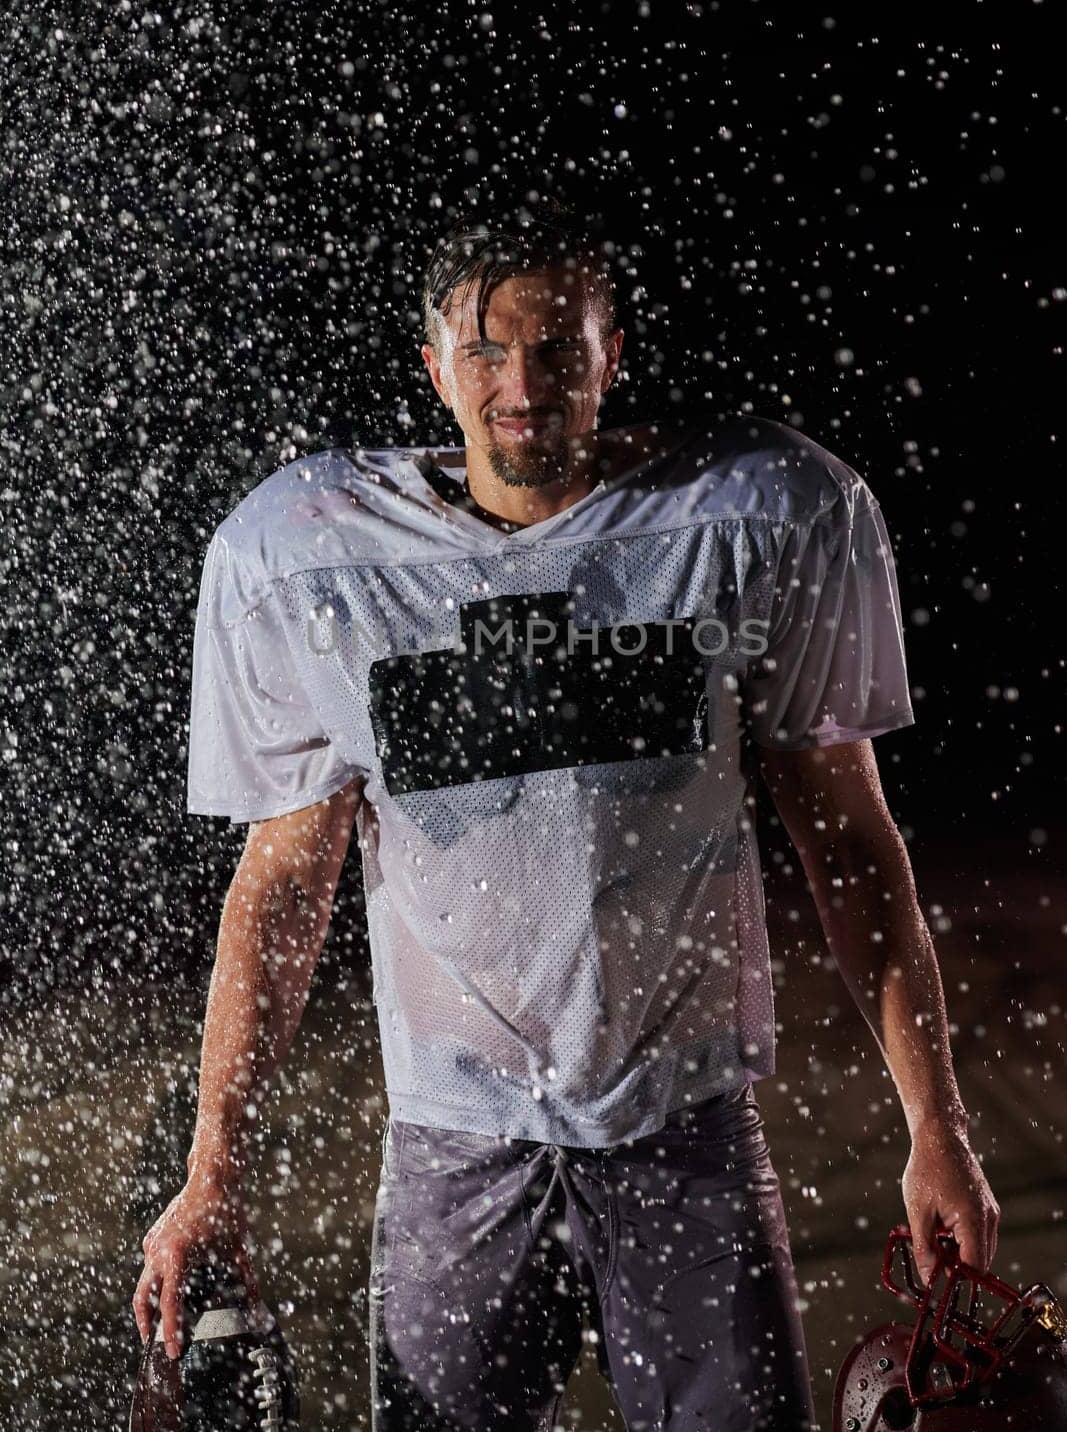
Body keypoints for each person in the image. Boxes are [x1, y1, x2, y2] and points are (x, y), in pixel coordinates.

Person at [134, 195, 1000, 1430]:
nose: (520, 383)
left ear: (612, 351)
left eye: (555, 345)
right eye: (485, 350)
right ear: (432, 366)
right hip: (451, 1146)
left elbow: (851, 848)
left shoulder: (748, 522)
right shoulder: (314, 559)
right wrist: (210, 1166)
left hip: (680, 1129)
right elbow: (280, 886)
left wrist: (937, 1125)